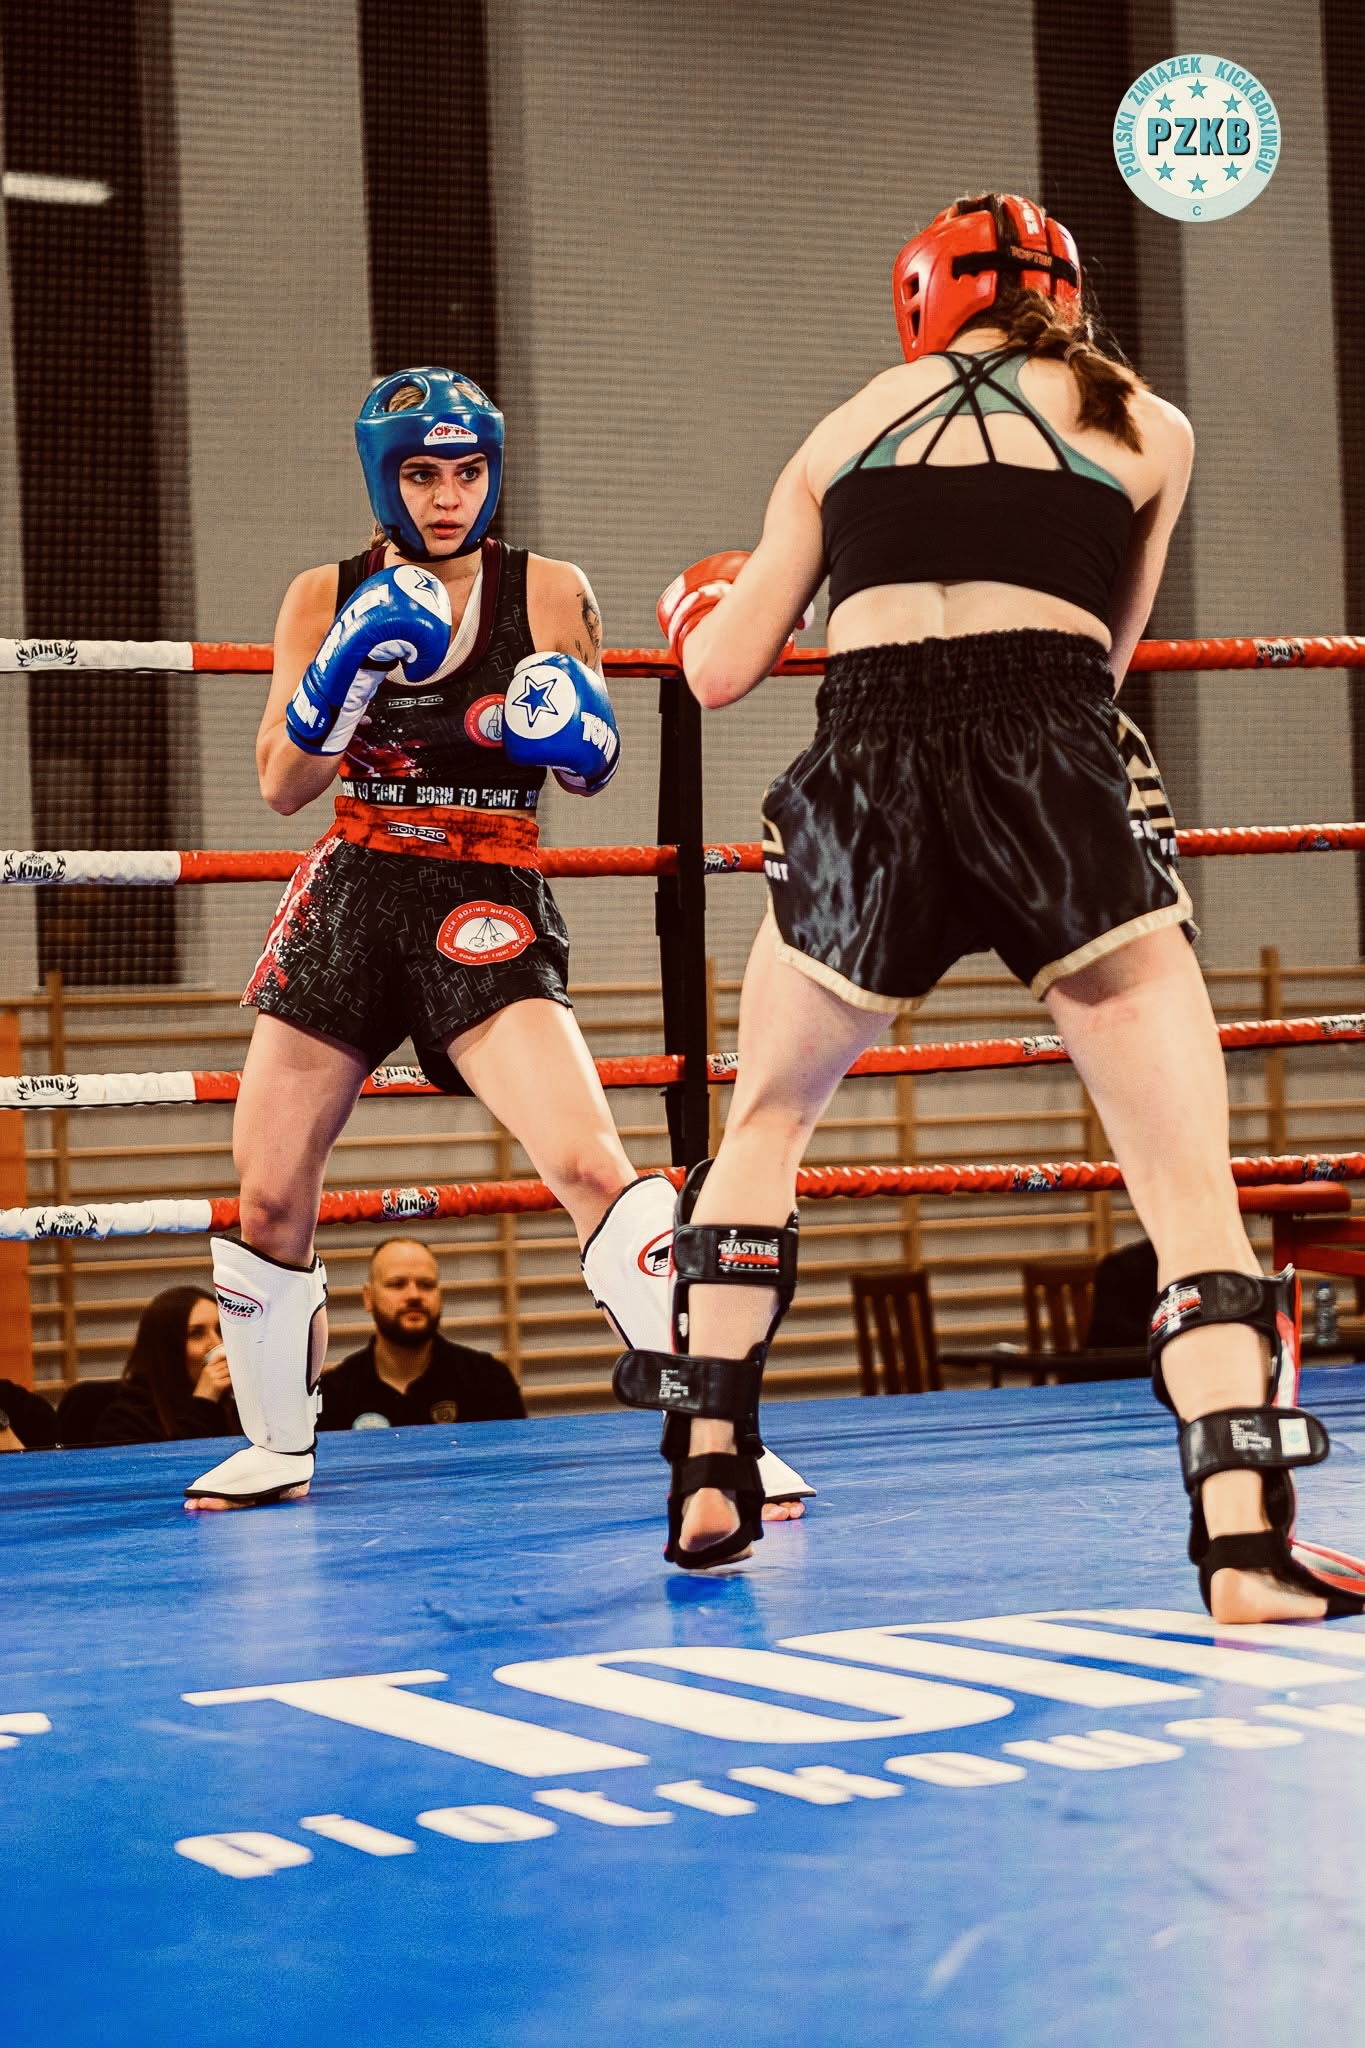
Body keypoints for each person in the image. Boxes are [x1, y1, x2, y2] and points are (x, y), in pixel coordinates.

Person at [620, 193, 1365, 1618]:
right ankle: (1240, 1543)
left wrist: (702, 606)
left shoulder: (843, 428)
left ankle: (708, 1468)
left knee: (765, 1122)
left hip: (867, 758)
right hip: (1052, 752)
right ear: (1066, 298)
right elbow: (1109, 658)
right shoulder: (1149, 424)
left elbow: (714, 675)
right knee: (1185, 1185)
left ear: (919, 302)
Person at [187, 366, 810, 1516]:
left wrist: (575, 729)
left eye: (468, 472)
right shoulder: (322, 595)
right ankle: (277, 1445)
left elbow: (591, 766)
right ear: (386, 478)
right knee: (267, 1191)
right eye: (424, 474)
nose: (448, 497)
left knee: (590, 1162)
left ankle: (724, 1426)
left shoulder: (549, 589)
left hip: (486, 884)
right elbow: (282, 783)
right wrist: (342, 670)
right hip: (357, 882)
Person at [318, 1236, 525, 1428]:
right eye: (397, 1284)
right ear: (368, 1297)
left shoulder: (489, 1382)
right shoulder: (333, 1395)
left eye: (426, 1285)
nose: (414, 1295)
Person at [95, 1287, 239, 1446]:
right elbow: (182, 1460)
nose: (217, 1343)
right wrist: (204, 1402)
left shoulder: (237, 1404)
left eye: (220, 1330)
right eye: (196, 1334)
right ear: (166, 1349)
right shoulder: (125, 1420)